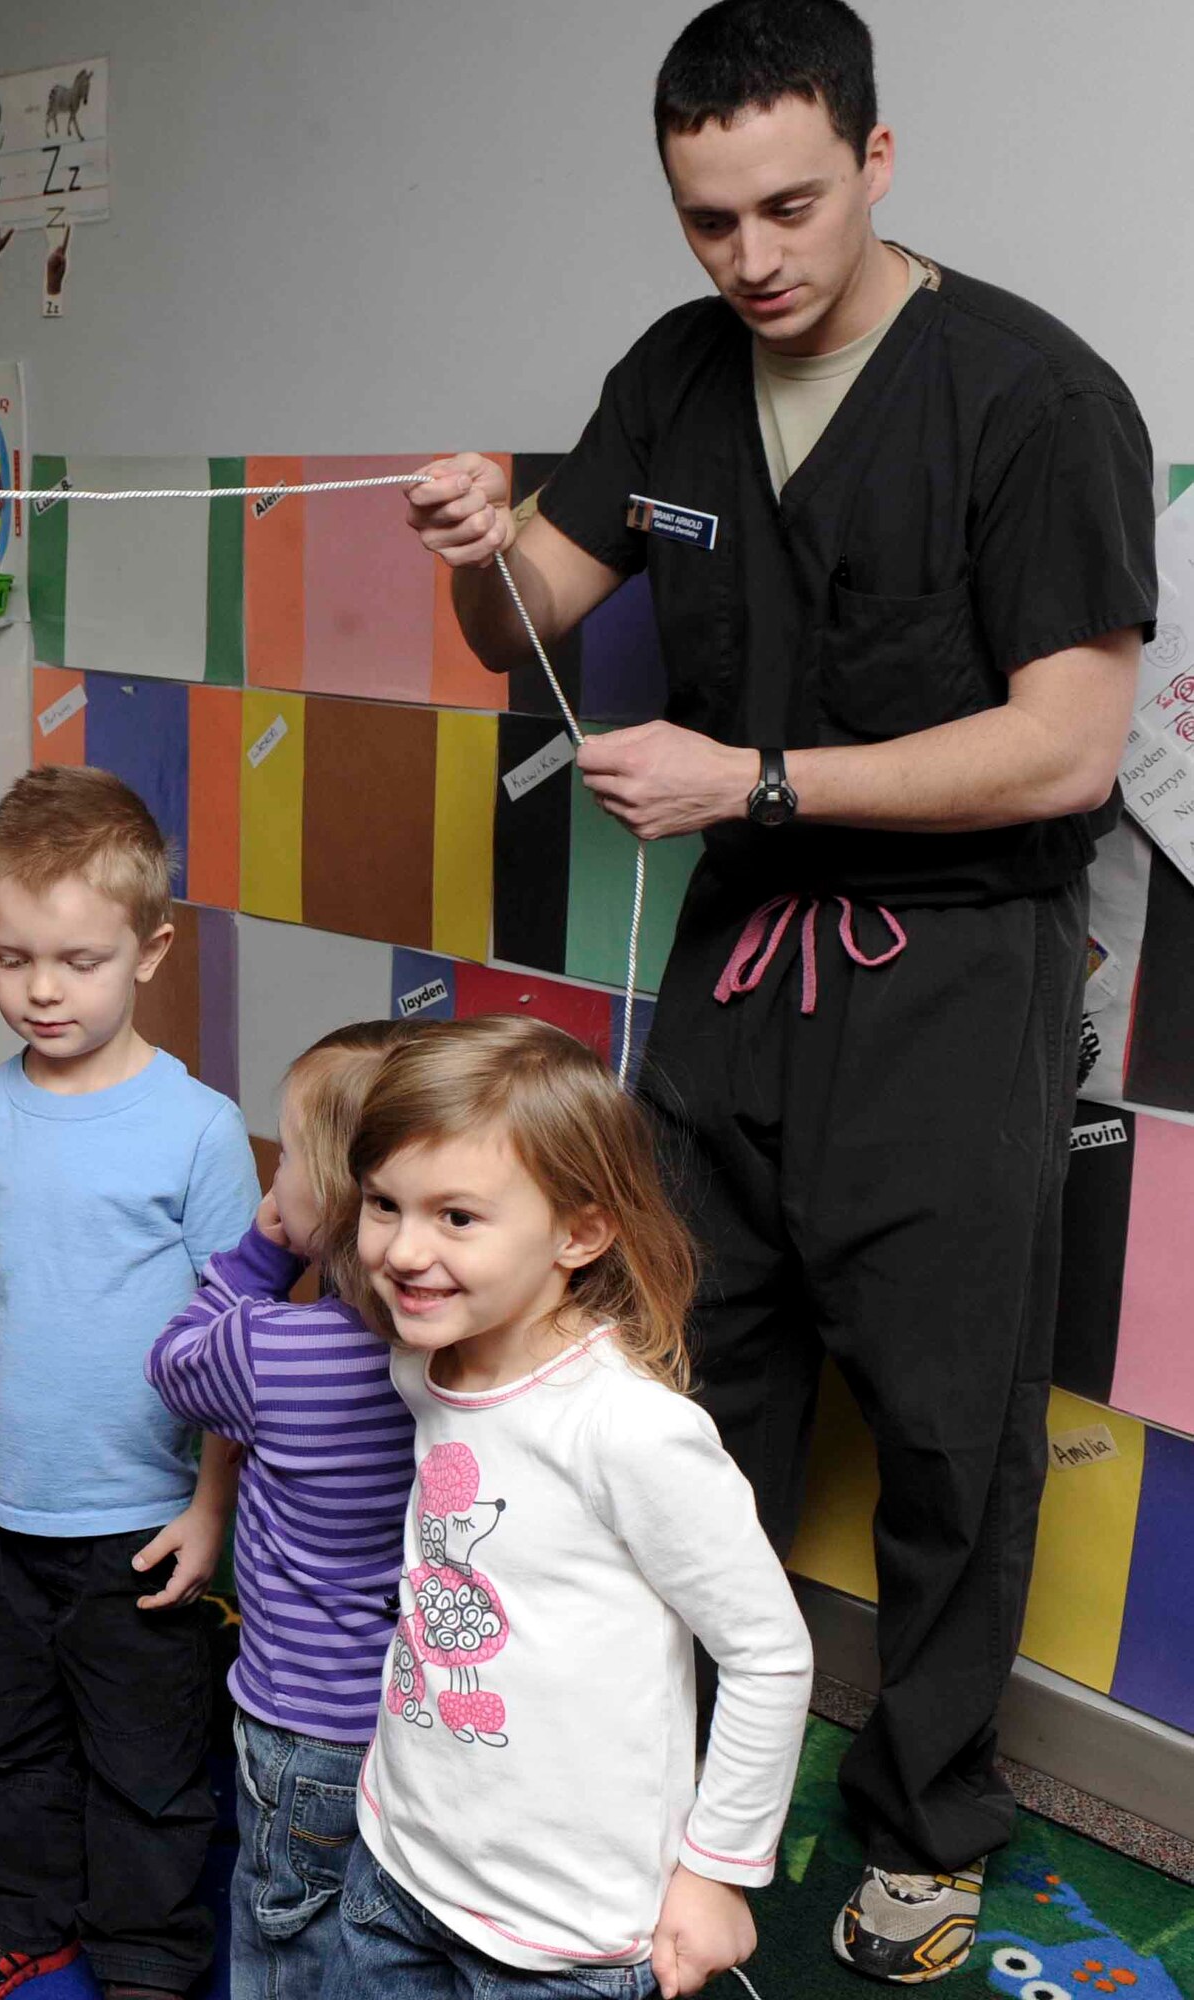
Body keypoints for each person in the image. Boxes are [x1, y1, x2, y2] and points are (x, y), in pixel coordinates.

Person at [404, 0, 1154, 1975]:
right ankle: (650, 1781)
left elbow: (1069, 746)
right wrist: (483, 548)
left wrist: (757, 776)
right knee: (680, 1382)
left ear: (879, 158)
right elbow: (528, 631)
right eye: (706, 219)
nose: (751, 259)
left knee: (940, 1431)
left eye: (789, 205)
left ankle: (920, 1819)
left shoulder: (1028, 396)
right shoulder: (667, 384)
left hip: (951, 980)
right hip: (736, 975)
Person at [322, 1015, 812, 2000]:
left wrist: (716, 1868)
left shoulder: (631, 1430)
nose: (404, 1248)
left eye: (457, 1215)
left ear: (579, 1231)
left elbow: (767, 1651)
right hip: (396, 1863)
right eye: (384, 1202)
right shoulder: (424, 1359)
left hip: (567, 1931)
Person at [0, 764, 261, 2000]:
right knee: (3, 1738)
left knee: (149, 1756)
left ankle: (150, 1955)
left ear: (151, 948)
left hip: (140, 1519)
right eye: (12, 958)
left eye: (77, 958)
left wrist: (210, 1506)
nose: (41, 989)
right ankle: (23, 1909)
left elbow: (234, 1338)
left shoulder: (199, 1127)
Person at [147, 1019, 419, 1998]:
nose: (272, 1177)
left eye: (286, 1159)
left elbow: (174, 1362)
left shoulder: (273, 1350)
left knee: (284, 1936)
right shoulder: (459, 1360)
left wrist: (257, 1257)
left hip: (301, 1720)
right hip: (419, 1718)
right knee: (384, 1933)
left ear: (341, 1197)